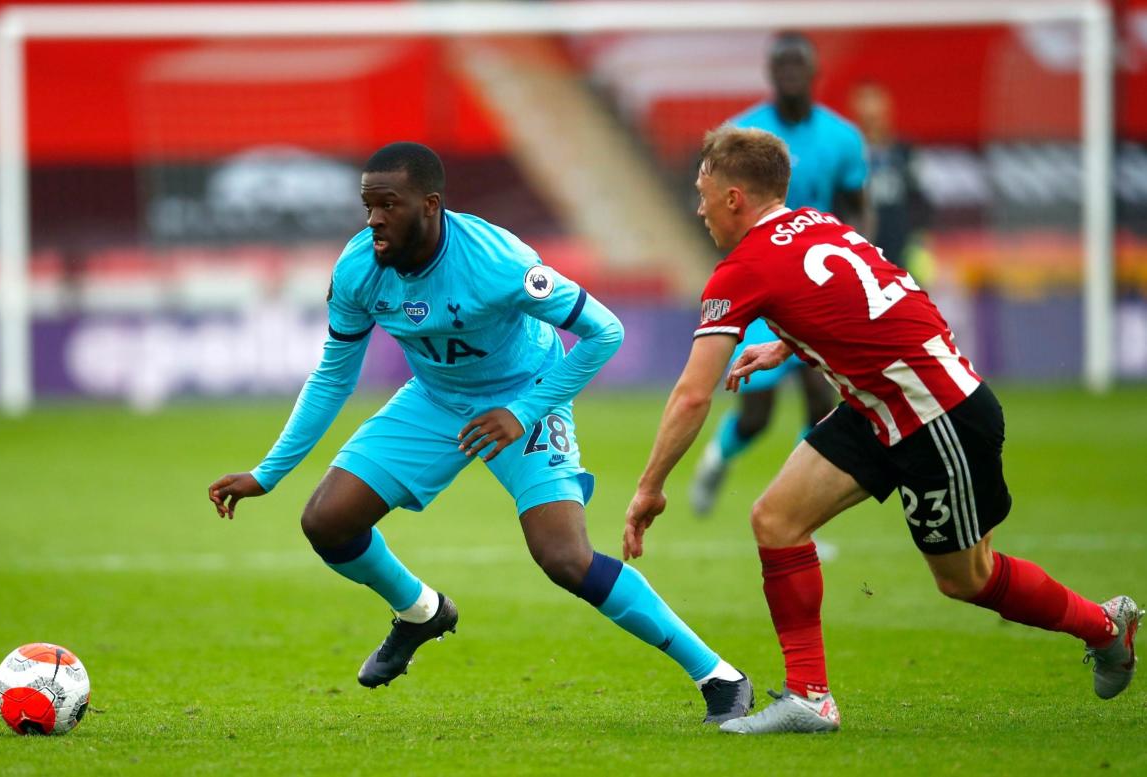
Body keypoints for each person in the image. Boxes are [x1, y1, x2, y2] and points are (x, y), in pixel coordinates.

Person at [208, 141, 753, 724]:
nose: (373, 220)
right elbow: (333, 377)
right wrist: (268, 473)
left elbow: (605, 333)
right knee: (326, 521)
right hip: (436, 399)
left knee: (564, 558)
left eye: (387, 205)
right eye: (367, 206)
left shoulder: (497, 261)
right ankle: (420, 612)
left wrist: (523, 410)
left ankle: (720, 678)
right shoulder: (358, 268)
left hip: (528, 394)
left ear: (431, 204)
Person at [625, 126, 1141, 734]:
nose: (698, 207)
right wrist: (786, 348)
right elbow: (863, 301)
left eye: (703, 191)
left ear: (735, 197)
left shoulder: (741, 269)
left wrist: (650, 487)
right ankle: (809, 698)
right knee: (776, 519)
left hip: (935, 415)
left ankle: (1105, 625)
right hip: (882, 404)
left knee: (965, 579)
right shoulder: (816, 223)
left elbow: (691, 395)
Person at [690, 31, 868, 518]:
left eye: (798, 65)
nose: (790, 73)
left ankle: (798, 504)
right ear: (771, 75)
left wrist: (859, 269)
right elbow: (711, 204)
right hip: (763, 289)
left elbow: (856, 211)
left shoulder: (843, 138)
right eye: (781, 65)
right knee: (756, 415)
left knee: (821, 402)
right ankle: (715, 459)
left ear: (814, 74)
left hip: (819, 290)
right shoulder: (742, 136)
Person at [850, 82, 932, 273]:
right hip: (861, 251)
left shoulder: (905, 152)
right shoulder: (850, 155)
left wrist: (918, 241)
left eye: (875, 117)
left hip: (902, 249)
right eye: (866, 118)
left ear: (886, 113)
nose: (872, 123)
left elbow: (919, 198)